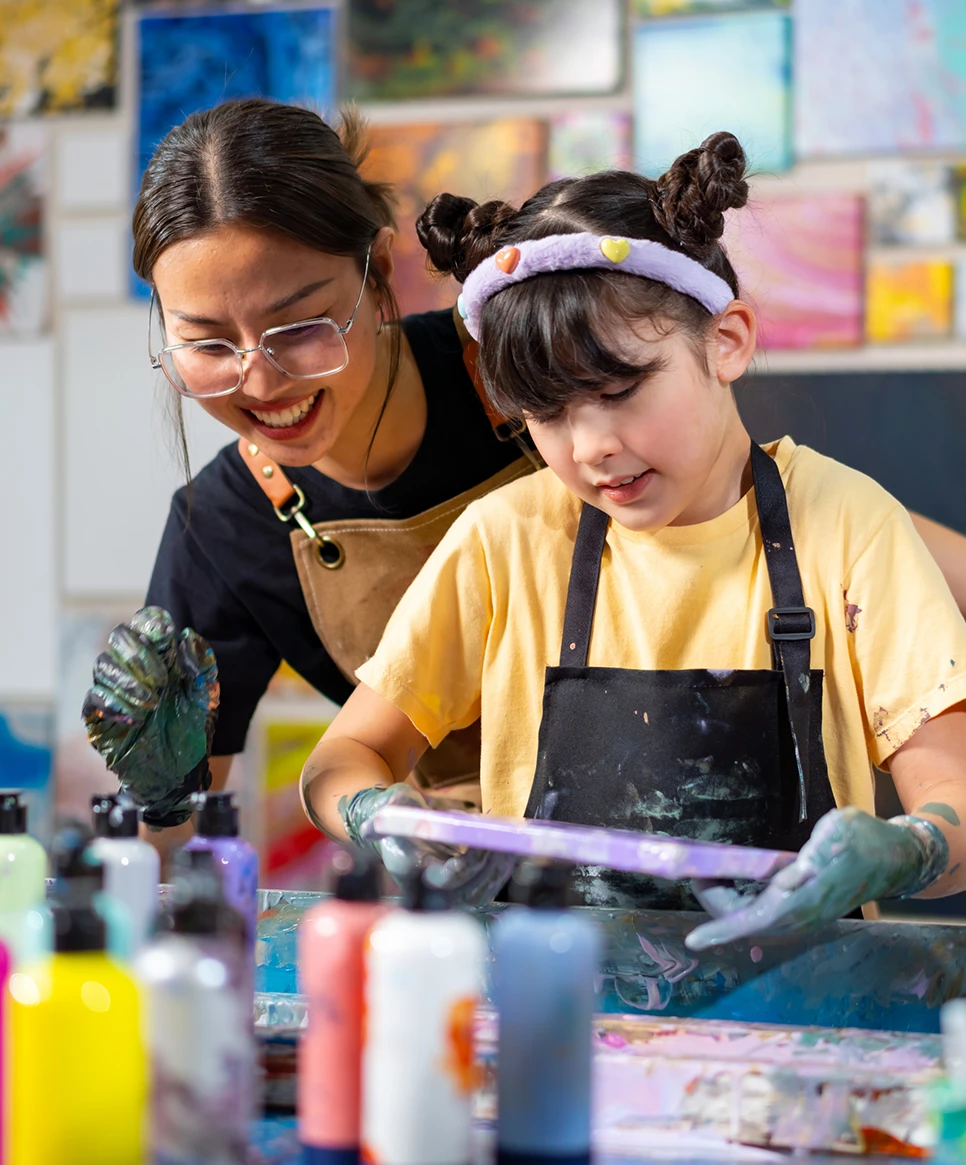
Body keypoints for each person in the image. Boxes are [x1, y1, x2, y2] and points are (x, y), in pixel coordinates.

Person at [300, 132, 966, 943]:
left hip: (797, 1024)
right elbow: (339, 763)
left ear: (727, 340)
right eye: (545, 414)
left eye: (618, 390)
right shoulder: (507, 541)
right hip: (559, 1009)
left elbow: (954, 802)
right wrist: (385, 817)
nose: (589, 447)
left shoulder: (849, 526)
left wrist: (908, 848)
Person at [81, 98, 541, 840]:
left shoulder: (524, 369)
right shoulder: (222, 528)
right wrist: (157, 784)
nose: (260, 382)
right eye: (206, 344)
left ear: (380, 267)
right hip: (461, 875)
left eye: (298, 328)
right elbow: (171, 845)